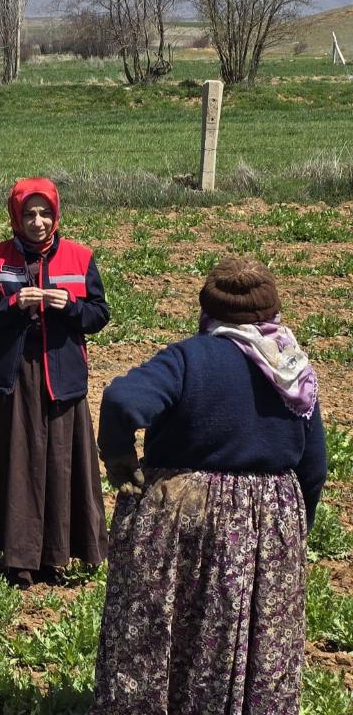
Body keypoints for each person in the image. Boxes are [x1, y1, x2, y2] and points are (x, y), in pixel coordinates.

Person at [92, 257, 326, 715]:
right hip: (267, 517)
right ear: (272, 312)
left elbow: (122, 399)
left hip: (183, 507)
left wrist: (120, 458)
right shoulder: (292, 372)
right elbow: (313, 464)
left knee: (168, 622)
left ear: (208, 311)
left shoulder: (187, 358)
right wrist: (295, 528)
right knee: (253, 630)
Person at [0, 177, 110, 588]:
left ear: (56, 215)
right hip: (10, 377)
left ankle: (56, 556)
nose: (37, 222)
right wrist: (12, 305)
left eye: (44, 213)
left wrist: (70, 306)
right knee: (15, 462)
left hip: (61, 378)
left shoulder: (80, 257)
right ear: (15, 217)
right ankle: (16, 558)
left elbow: (98, 316)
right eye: (28, 214)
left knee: (60, 461)